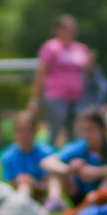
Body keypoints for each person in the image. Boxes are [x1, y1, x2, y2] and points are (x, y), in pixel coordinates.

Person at [31, 15, 95, 147]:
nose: (71, 32)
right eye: (67, 28)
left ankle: (72, 163)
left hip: (78, 99)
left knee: (77, 134)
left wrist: (91, 64)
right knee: (55, 132)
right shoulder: (51, 47)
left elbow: (89, 73)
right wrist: (35, 98)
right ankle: (48, 162)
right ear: (59, 30)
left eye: (73, 28)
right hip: (56, 97)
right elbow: (41, 73)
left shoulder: (81, 48)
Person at [0, 109, 51, 201]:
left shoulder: (46, 153)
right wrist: (21, 181)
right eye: (19, 131)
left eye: (27, 131)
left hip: (42, 194)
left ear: (35, 132)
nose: (23, 135)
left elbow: (49, 184)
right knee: (24, 185)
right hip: (20, 191)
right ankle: (21, 203)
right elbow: (9, 185)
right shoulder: (7, 156)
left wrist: (33, 183)